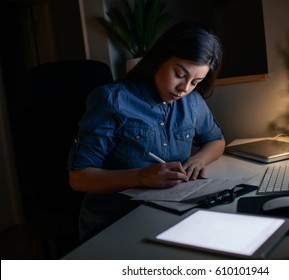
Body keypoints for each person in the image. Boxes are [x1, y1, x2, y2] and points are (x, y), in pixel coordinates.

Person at [67, 21, 225, 242]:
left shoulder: (192, 102)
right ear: (160, 58)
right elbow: (79, 178)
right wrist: (141, 177)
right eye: (180, 74)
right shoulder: (113, 100)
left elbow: (216, 140)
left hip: (169, 213)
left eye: (195, 82)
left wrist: (199, 159)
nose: (185, 89)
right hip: (116, 221)